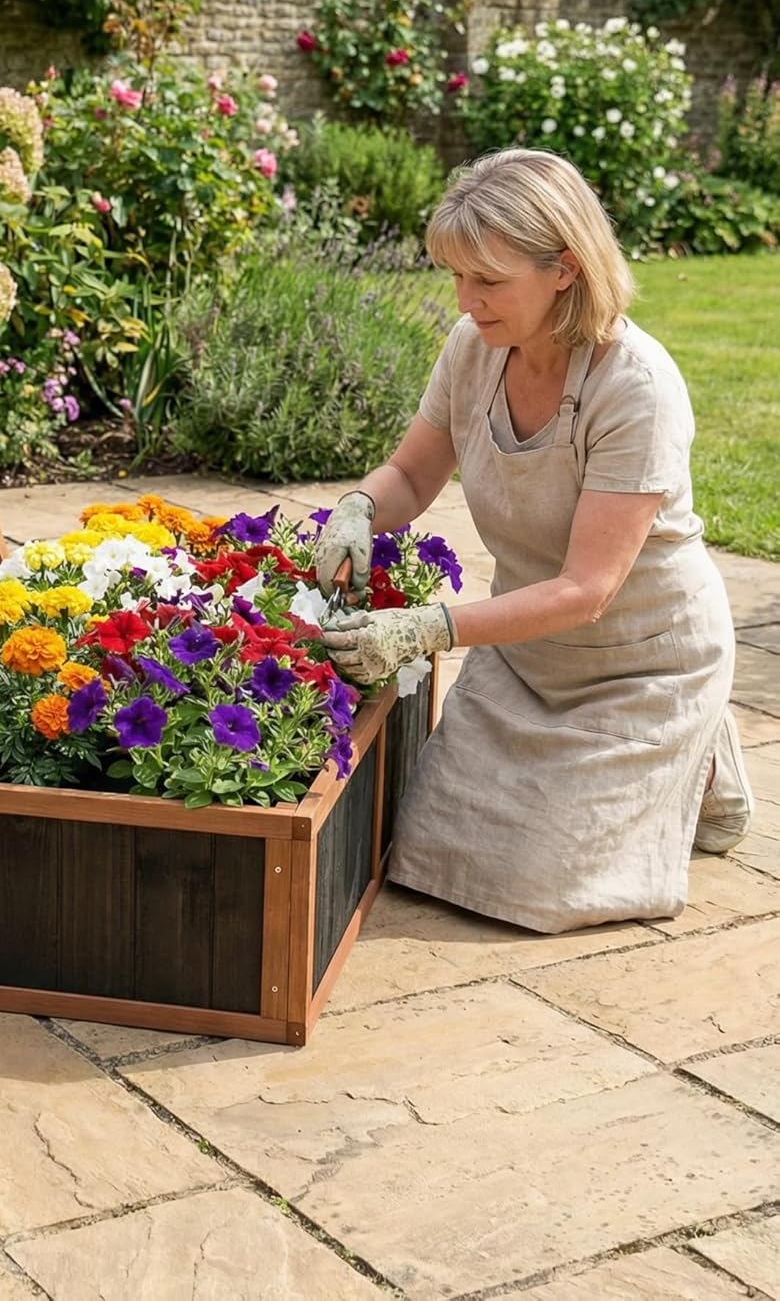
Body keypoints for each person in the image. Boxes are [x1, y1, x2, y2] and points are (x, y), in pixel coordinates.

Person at [315, 147, 754, 934]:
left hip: (642, 661)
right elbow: (412, 477)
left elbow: (587, 590)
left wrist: (424, 628)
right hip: (525, 655)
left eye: (487, 280)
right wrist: (354, 509)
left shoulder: (635, 387)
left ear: (565, 269)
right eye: (454, 275)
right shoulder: (472, 348)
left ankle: (701, 755)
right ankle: (678, 770)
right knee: (425, 857)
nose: (465, 299)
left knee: (533, 888)